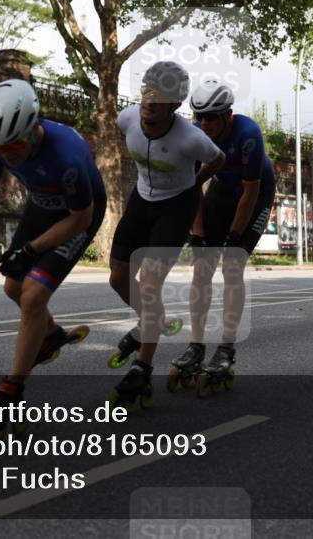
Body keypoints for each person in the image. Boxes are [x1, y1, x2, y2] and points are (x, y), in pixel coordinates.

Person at [0, 78, 106, 437]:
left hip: (78, 214)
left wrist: (30, 249)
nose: (7, 155)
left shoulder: (66, 154)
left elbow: (80, 219)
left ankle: (11, 389)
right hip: (42, 205)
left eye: (13, 146)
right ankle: (50, 336)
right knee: (12, 288)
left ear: (33, 129)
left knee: (32, 294)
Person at [107, 61, 225, 410]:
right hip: (142, 200)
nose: (149, 102)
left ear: (175, 105)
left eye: (159, 98)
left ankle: (142, 367)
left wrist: (197, 182)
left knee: (149, 283)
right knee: (117, 278)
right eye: (146, 92)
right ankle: (153, 320)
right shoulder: (127, 119)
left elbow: (218, 159)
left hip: (177, 207)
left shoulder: (191, 138)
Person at [169, 77, 275, 395]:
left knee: (232, 267)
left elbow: (250, 194)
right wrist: (199, 235)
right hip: (218, 192)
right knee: (202, 268)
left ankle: (226, 348)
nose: (203, 124)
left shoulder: (248, 135)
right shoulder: (194, 135)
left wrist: (234, 236)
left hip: (253, 196)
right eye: (198, 117)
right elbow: (193, 188)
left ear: (228, 114)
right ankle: (196, 346)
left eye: (210, 118)